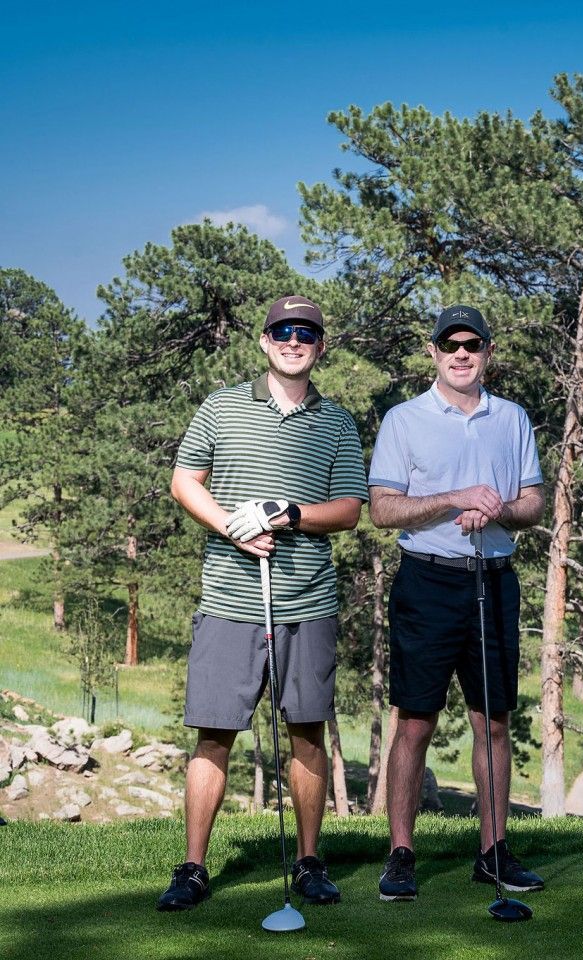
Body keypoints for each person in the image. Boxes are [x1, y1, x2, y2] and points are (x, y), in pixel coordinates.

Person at [162, 295, 368, 910]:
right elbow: (183, 480)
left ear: (320, 345)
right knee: (215, 734)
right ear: (264, 339)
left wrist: (294, 515)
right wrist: (232, 526)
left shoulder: (336, 422)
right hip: (229, 599)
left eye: (306, 332)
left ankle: (308, 862)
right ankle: (193, 868)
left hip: (307, 600)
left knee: (307, 733)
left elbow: (351, 511)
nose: (294, 340)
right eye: (284, 330)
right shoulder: (222, 406)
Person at [368, 305, 546, 901]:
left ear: (488, 352)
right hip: (428, 580)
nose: (461, 354)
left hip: (493, 579)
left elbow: (533, 504)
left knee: (492, 721)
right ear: (434, 352)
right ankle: (401, 853)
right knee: (415, 721)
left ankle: (492, 852)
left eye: (473, 344)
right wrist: (455, 498)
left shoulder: (512, 419)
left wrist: (496, 507)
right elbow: (383, 509)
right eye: (451, 345)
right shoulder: (404, 419)